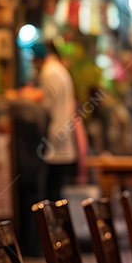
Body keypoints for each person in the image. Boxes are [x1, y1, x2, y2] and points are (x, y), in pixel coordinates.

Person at [33, 40, 78, 200]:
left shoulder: (49, 73)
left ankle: (49, 225)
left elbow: (46, 107)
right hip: (63, 135)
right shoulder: (60, 70)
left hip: (53, 139)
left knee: (50, 196)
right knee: (57, 194)